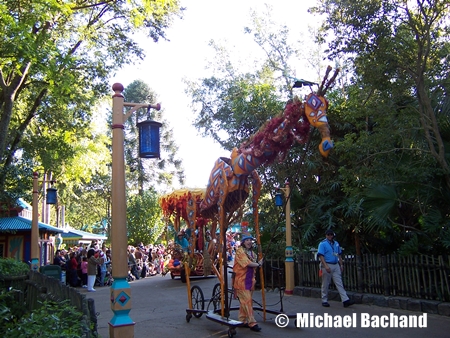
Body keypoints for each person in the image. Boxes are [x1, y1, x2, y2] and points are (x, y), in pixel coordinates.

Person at [232, 232, 263, 332]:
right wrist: (258, 264)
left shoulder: (252, 253)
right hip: (241, 280)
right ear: (243, 242)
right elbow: (247, 263)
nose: (249, 242)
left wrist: (259, 263)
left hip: (250, 280)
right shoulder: (240, 251)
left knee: (245, 302)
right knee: (248, 301)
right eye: (247, 240)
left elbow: (254, 263)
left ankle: (242, 320)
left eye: (250, 240)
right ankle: (252, 323)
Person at [318, 229, 355, 308]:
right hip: (327, 264)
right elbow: (321, 256)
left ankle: (345, 300)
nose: (330, 236)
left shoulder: (336, 244)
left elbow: (339, 255)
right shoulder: (322, 244)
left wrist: (341, 264)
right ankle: (324, 300)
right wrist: (325, 266)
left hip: (335, 265)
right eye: (328, 235)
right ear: (326, 235)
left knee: (339, 282)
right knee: (325, 283)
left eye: (331, 235)